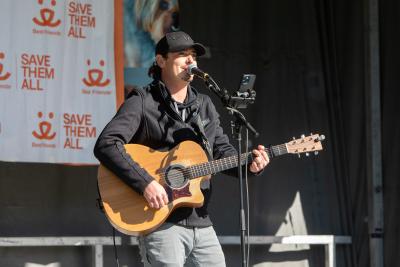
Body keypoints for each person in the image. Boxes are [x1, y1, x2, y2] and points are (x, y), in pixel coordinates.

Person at [94, 31, 269, 266]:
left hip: (201, 220)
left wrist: (251, 166)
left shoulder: (204, 105)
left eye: (193, 56)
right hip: (161, 220)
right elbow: (107, 143)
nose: (191, 61)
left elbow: (221, 153)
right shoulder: (143, 101)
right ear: (161, 61)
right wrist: (145, 182)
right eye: (182, 54)